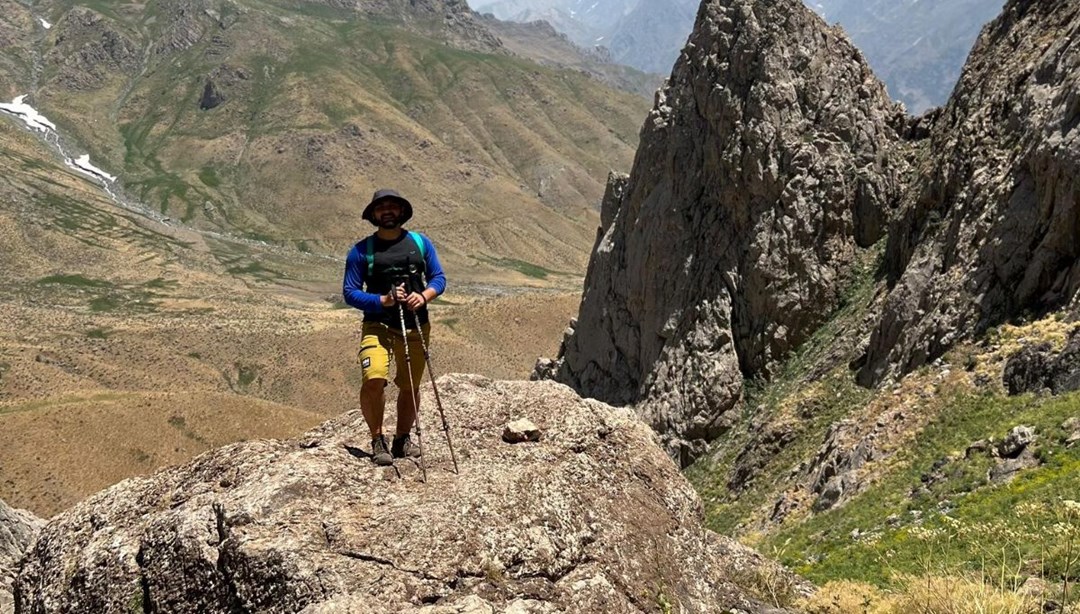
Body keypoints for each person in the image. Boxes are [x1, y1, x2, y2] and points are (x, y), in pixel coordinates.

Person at [342, 188, 447, 466]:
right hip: (377, 324)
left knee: (410, 385)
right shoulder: (361, 251)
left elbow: (438, 278)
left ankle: (402, 439)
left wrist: (423, 296)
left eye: (392, 206)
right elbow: (350, 292)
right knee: (374, 377)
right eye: (381, 207)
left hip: (415, 325)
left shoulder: (420, 243)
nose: (387, 211)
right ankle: (378, 440)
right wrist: (383, 300)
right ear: (373, 215)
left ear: (401, 212)